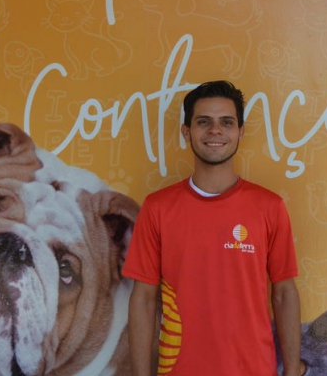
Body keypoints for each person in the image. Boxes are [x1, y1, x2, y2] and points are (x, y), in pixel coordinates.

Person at [124, 80, 305, 376]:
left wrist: (292, 371)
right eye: (204, 122)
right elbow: (143, 299)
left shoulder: (269, 207)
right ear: (187, 132)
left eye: (227, 122)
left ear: (240, 132)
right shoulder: (157, 208)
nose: (215, 131)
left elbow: (284, 293)